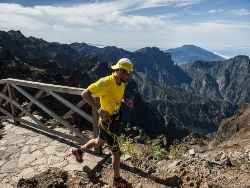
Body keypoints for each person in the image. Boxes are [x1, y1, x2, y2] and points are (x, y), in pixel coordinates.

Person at [72, 58, 134, 188]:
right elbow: (85, 94)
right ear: (121, 71)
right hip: (108, 124)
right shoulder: (105, 82)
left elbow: (117, 96)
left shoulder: (121, 83)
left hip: (112, 121)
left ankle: (79, 151)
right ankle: (117, 180)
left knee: (99, 142)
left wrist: (124, 101)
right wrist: (99, 110)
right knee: (116, 153)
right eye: (128, 73)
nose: (130, 76)